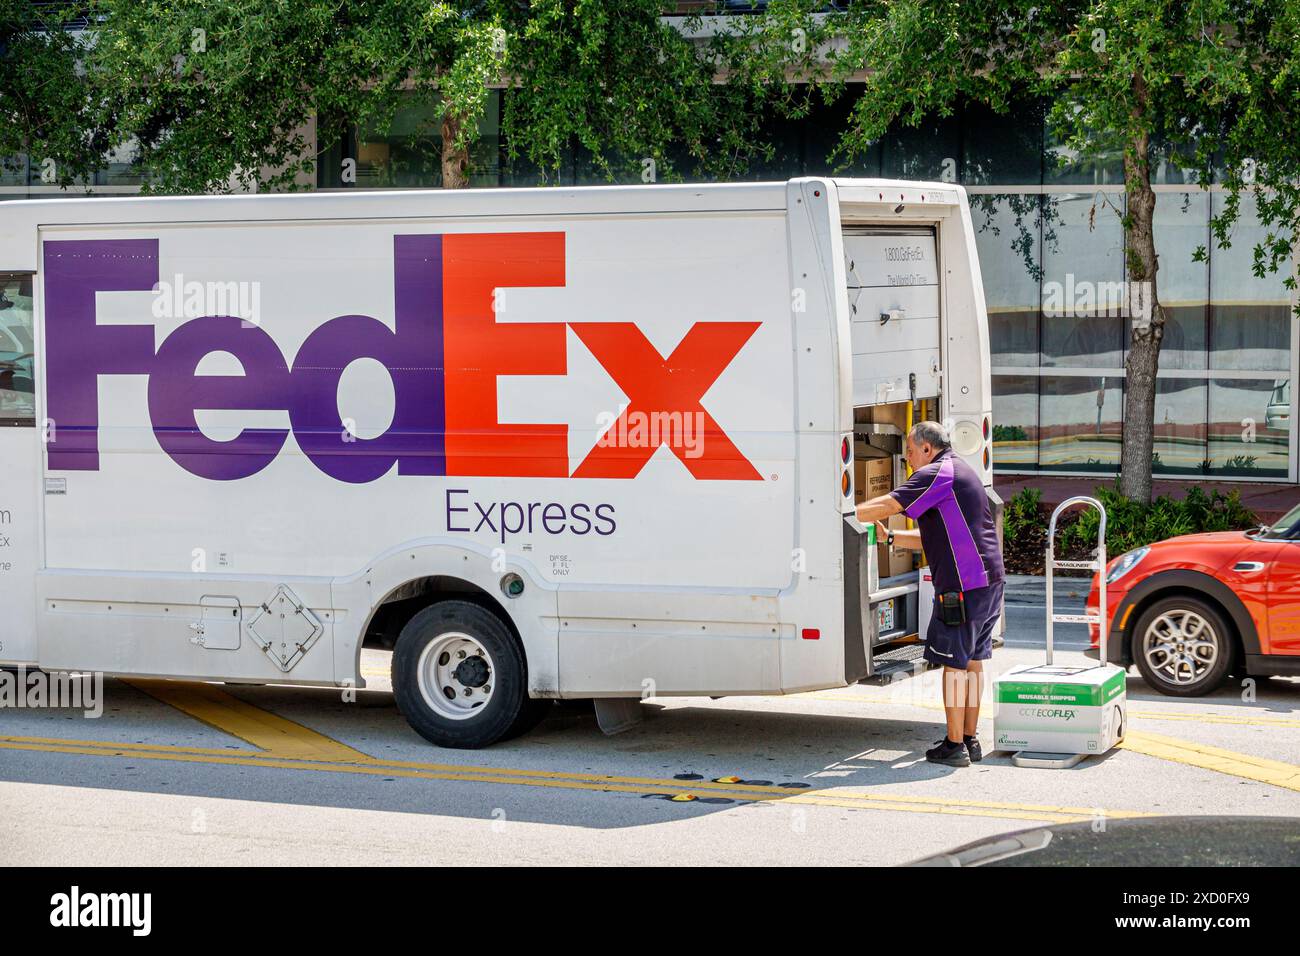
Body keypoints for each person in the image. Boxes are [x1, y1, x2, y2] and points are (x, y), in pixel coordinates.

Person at [855, 420, 1005, 767]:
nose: (907, 460)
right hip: (988, 581)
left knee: (953, 665)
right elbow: (935, 539)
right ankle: (969, 739)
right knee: (972, 662)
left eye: (909, 451)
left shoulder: (936, 473)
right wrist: (891, 539)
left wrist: (839, 515)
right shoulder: (960, 470)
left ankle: (953, 745)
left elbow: (887, 505)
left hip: (963, 584)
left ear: (927, 447)